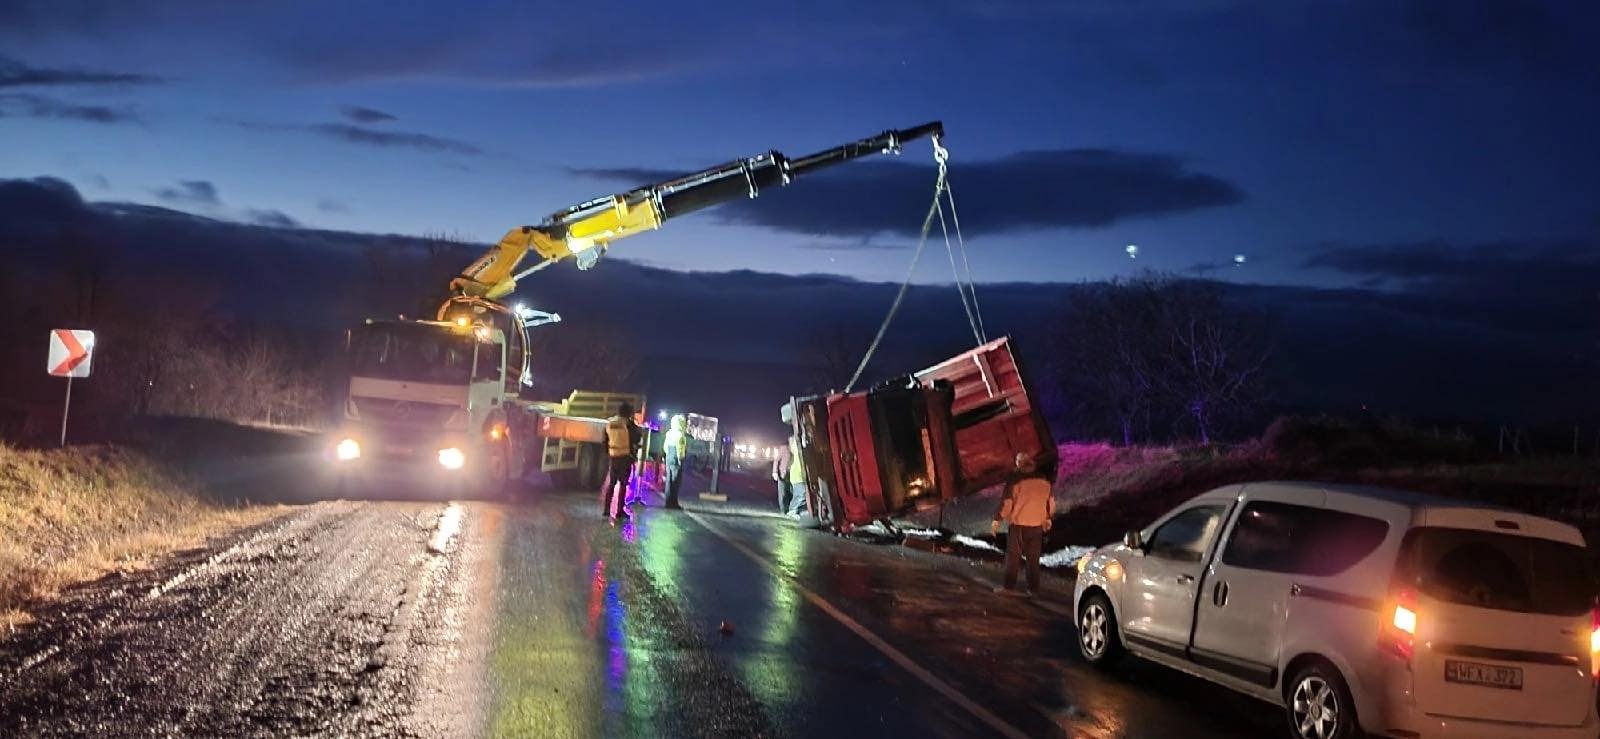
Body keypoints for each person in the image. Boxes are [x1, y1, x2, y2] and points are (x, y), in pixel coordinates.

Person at [992, 452, 1054, 595]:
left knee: (1013, 556)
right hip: (1037, 525)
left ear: (1019, 463)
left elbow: (1007, 504)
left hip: (1019, 524)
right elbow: (1050, 503)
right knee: (1033, 559)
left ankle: (1008, 587)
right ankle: (1033, 589)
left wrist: (997, 520)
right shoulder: (1044, 480)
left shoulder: (1015, 480)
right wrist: (1047, 518)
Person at [601, 402, 641, 522]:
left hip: (614, 456)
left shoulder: (610, 423)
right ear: (628, 413)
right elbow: (637, 437)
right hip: (625, 457)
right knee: (623, 484)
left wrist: (608, 453)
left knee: (611, 483)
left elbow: (605, 440)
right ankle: (619, 511)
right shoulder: (628, 424)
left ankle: (606, 510)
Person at [662, 414, 689, 510]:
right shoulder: (681, 435)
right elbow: (680, 449)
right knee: (675, 481)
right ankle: (673, 503)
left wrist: (668, 456)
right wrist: (680, 459)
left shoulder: (669, 433)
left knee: (669, 481)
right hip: (676, 458)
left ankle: (667, 502)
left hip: (669, 456)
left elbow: (665, 447)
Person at [779, 435, 807, 517]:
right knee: (801, 494)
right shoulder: (796, 448)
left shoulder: (796, 449)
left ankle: (794, 510)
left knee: (798, 494)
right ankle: (792, 510)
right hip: (798, 475)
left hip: (797, 475)